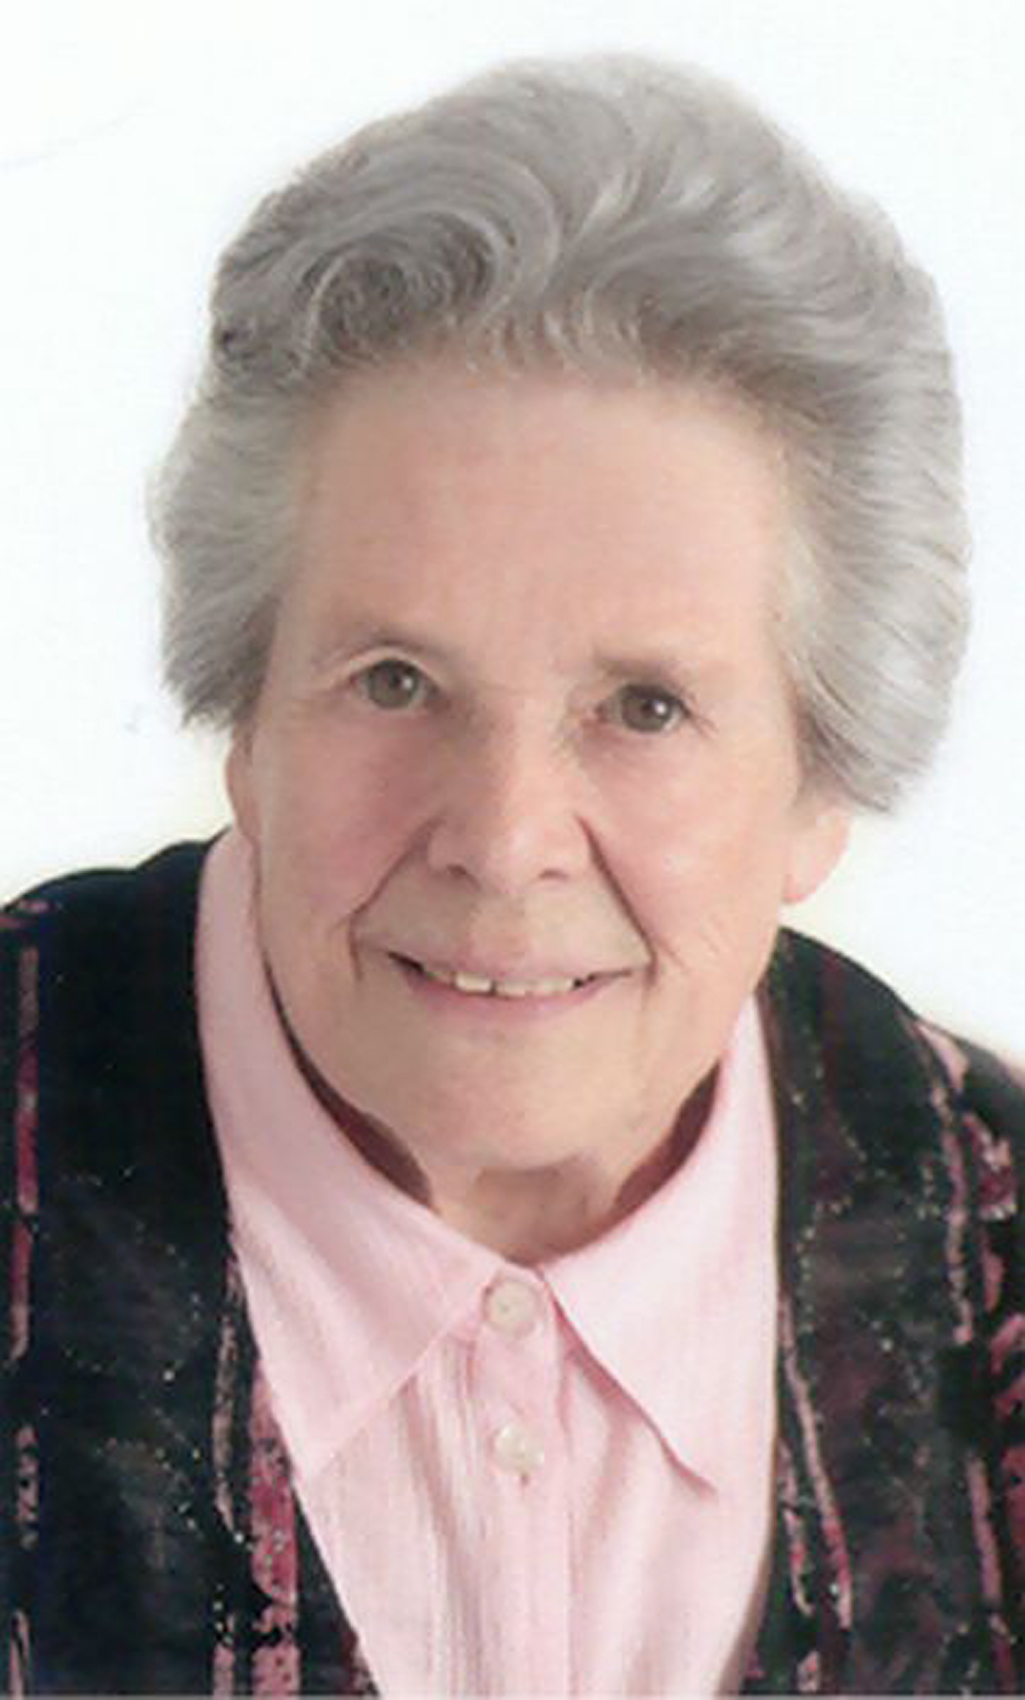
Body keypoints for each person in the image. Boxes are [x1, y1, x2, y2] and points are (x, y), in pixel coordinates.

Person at [1, 52, 1021, 1697]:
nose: (501, 835)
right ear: (243, 718)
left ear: (819, 785)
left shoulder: (996, 1243)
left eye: (645, 707)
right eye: (395, 681)